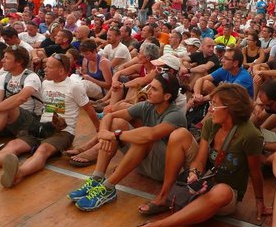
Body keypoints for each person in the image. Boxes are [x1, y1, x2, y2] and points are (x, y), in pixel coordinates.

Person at [118, 83, 271, 227]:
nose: (210, 109)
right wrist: (194, 173)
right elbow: (200, 157)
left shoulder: (250, 135)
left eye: (214, 104)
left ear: (230, 109)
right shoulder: (212, 124)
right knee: (179, 135)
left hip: (226, 191)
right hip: (204, 178)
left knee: (222, 191)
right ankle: (163, 197)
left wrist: (259, 201)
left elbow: (255, 172)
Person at [67, 72, 197, 212]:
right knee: (117, 122)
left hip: (162, 170)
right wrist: (104, 133)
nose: (148, 91)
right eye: (149, 87)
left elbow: (150, 134)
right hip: (143, 163)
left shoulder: (175, 115)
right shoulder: (147, 106)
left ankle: (108, 188)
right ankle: (97, 178)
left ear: (167, 96)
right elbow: (109, 116)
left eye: (154, 89)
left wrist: (114, 135)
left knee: (143, 136)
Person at [0, 54, 100, 186]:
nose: (45, 70)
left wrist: (99, 129)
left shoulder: (74, 87)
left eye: (49, 67)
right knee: (13, 145)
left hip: (63, 131)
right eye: (45, 66)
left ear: (61, 71)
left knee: (42, 150)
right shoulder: (46, 83)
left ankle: (18, 173)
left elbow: (89, 109)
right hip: (41, 127)